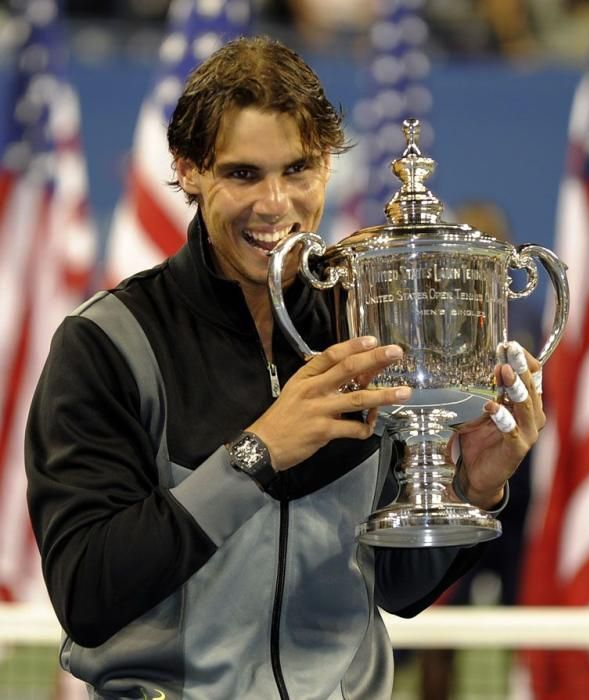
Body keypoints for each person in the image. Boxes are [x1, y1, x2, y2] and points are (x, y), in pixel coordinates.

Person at [25, 36, 545, 700]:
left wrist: (471, 487)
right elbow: (87, 593)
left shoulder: (363, 323)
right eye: (244, 174)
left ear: (328, 165)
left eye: (298, 170)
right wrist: (256, 455)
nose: (275, 204)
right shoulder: (106, 344)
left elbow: (399, 590)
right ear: (188, 170)